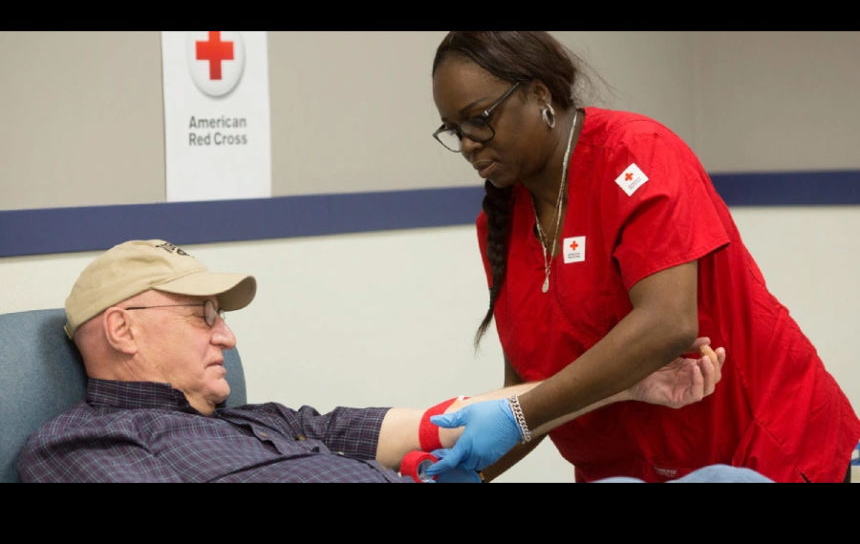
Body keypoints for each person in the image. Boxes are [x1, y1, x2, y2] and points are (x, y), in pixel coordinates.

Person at [425, 31, 860, 483]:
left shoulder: (636, 154)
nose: (468, 144)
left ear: (539, 95)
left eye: (479, 119)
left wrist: (519, 412)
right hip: (626, 470)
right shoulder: (500, 223)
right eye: (454, 130)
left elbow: (668, 324)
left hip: (759, 450)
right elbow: (532, 389)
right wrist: (456, 472)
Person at [17, 238, 737, 483]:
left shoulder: (266, 421)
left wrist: (624, 385)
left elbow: (443, 426)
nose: (227, 338)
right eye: (203, 315)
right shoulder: (83, 443)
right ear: (123, 329)